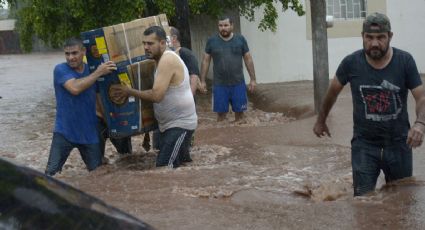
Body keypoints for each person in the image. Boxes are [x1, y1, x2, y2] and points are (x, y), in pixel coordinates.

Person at [313, 12, 425, 196]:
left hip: (399, 146)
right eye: (369, 37)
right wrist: (321, 120)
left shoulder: (405, 61)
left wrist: (420, 123)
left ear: (390, 36)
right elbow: (332, 92)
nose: (374, 43)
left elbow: (421, 97)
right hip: (364, 146)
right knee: (363, 203)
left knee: (401, 203)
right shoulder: (351, 63)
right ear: (362, 37)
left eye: (380, 37)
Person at [110, 26, 197, 168]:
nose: (145, 47)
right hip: (169, 126)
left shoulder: (167, 60)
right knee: (180, 166)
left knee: (163, 167)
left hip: (180, 125)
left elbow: (156, 96)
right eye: (144, 43)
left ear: (163, 43)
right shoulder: (159, 59)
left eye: (150, 44)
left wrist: (129, 91)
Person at [45, 38, 117, 176]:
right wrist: (98, 73)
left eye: (74, 53)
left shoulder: (91, 70)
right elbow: (74, 88)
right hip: (64, 132)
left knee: (98, 175)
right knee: (50, 174)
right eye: (67, 54)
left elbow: (99, 100)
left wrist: (110, 123)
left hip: (89, 134)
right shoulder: (60, 69)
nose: (70, 57)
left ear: (83, 51)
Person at [199, 15, 257, 122]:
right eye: (220, 25)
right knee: (221, 117)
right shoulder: (212, 41)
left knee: (240, 117)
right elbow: (205, 61)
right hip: (219, 84)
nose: (223, 28)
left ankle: (239, 138)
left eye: (226, 25)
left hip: (238, 83)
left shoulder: (240, 39)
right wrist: (202, 81)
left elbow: (248, 59)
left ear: (232, 26)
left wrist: (253, 79)